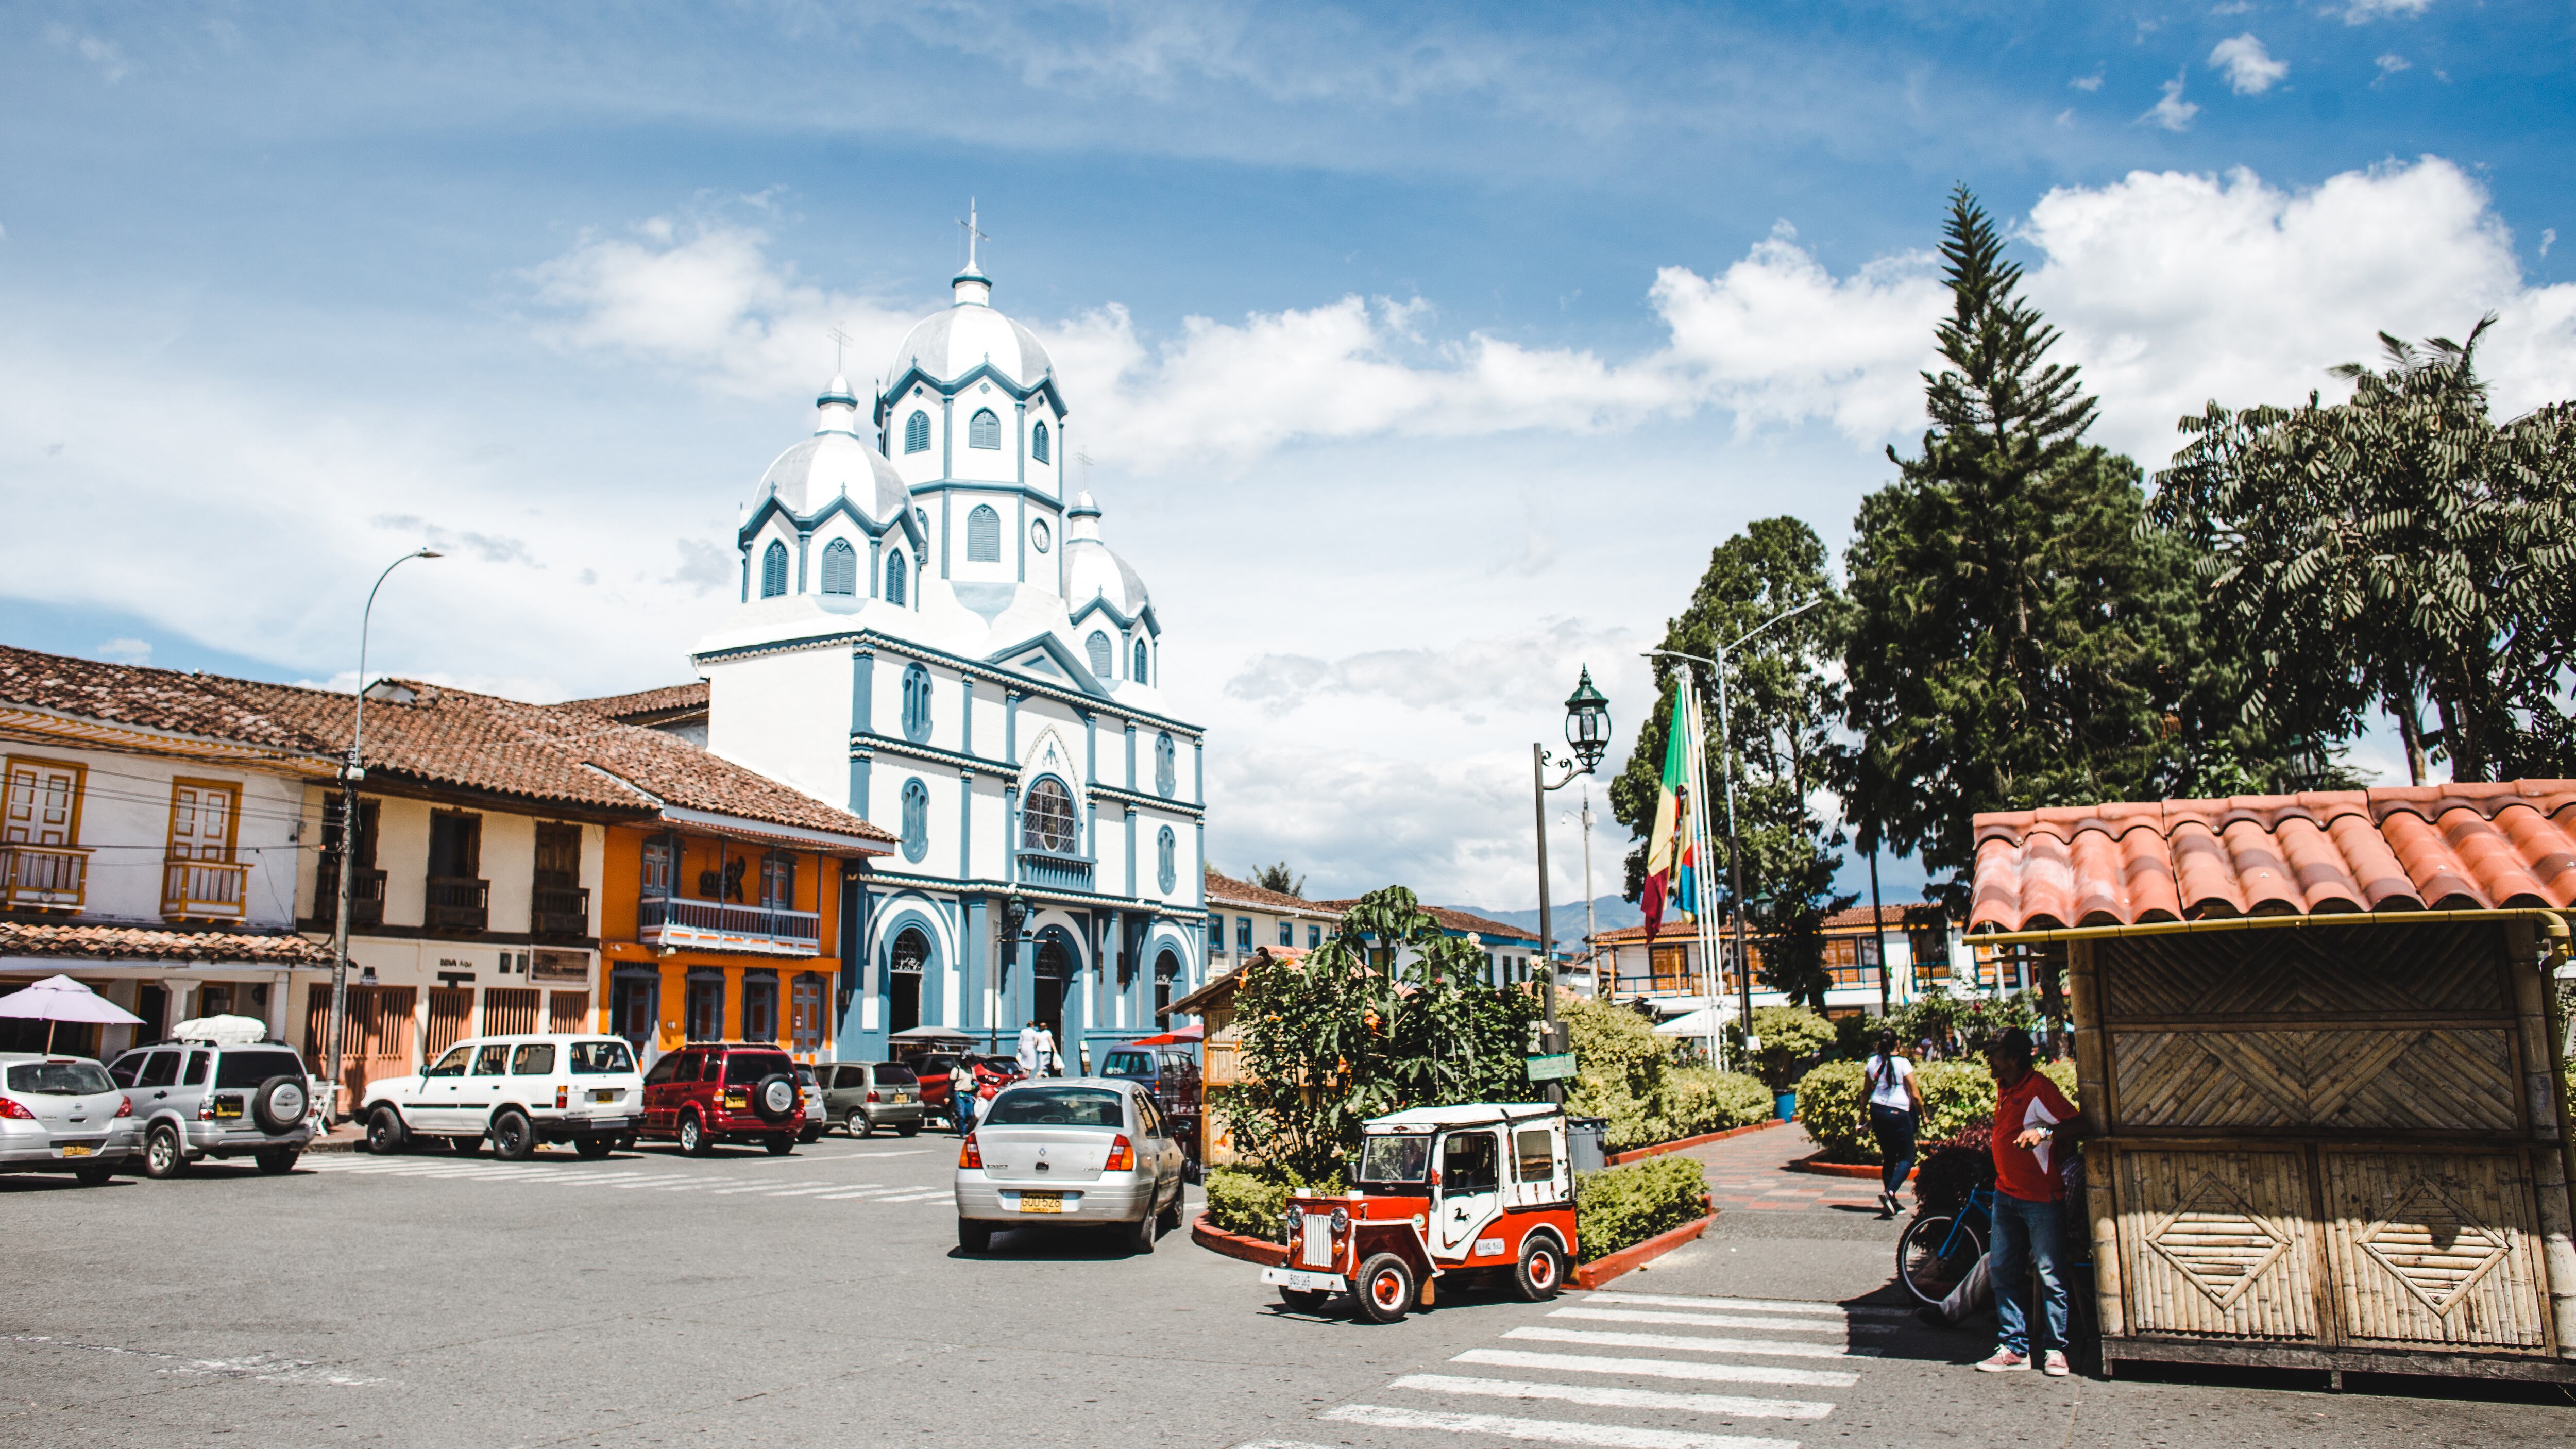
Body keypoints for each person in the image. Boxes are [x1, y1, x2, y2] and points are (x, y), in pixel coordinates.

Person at [1975, 1026, 2081, 1378]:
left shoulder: (2039, 1088)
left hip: (2041, 1199)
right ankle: (2015, 1349)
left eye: (1996, 1054)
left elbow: (2078, 1124)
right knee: (2004, 1271)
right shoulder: (2005, 1088)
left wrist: (2044, 1132)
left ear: (2014, 1058)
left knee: (2051, 1274)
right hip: (2006, 1195)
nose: (1990, 1060)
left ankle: (2056, 1351)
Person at [1865, 1029, 1924, 1217]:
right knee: (1907, 1157)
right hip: (1898, 1111)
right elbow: (1915, 1094)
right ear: (1897, 1042)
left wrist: (1861, 1117)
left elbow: (1865, 1092)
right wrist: (1924, 1114)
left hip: (1877, 1110)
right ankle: (1890, 1193)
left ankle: (1891, 1203)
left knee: (1889, 1156)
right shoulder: (1903, 1063)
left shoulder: (1872, 1062)